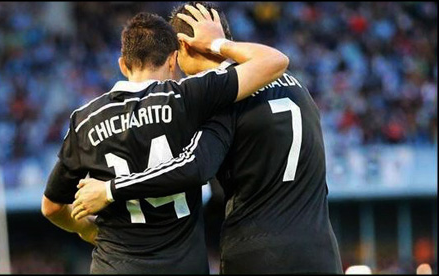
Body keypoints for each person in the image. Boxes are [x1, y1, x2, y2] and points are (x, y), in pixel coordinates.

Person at [73, 2, 343, 274]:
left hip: (257, 252)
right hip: (321, 250)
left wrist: (110, 190)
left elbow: (194, 167)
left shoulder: (219, 99)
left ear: (183, 46)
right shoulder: (295, 85)